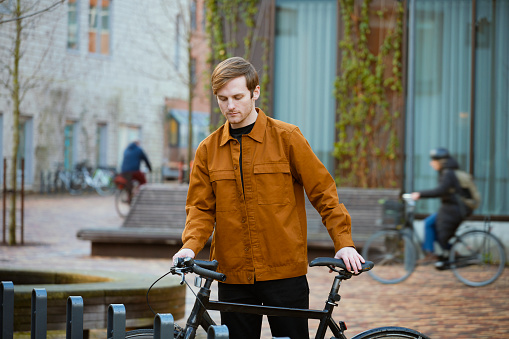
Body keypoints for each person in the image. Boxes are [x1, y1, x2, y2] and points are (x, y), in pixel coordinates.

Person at [172, 56, 364, 339]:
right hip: (232, 275)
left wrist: (344, 243)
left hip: (284, 273)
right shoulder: (208, 150)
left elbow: (324, 193)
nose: (230, 106)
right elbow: (200, 209)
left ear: (255, 92)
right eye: (222, 99)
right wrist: (190, 246)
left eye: (238, 96)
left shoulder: (287, 138)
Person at [410, 147, 469, 264]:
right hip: (449, 208)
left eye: (433, 161)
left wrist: (420, 194)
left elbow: (440, 190)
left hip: (454, 210)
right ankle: (433, 253)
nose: (431, 163)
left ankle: (447, 253)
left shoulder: (448, 173)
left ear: (440, 161)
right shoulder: (446, 172)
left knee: (440, 233)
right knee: (429, 223)